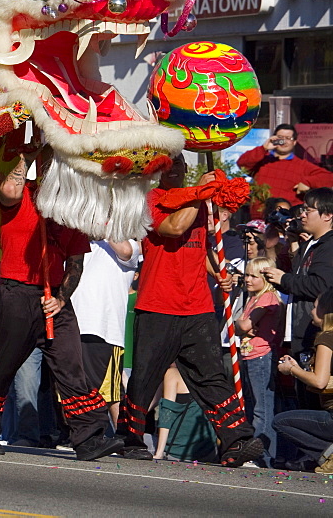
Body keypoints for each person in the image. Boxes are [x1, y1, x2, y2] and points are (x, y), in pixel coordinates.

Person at [0, 154, 121, 461]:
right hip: (16, 295)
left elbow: (75, 264)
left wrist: (60, 299)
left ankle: (88, 438)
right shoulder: (23, 194)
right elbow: (8, 189)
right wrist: (23, 155)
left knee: (71, 368)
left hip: (55, 302)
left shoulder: (71, 213)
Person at [116, 155, 262, 467]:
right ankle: (130, 437)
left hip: (197, 307)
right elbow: (173, 228)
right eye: (168, 166)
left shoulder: (200, 201)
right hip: (158, 305)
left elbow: (202, 244)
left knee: (210, 376)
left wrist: (217, 272)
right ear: (158, 171)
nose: (176, 170)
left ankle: (238, 439)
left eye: (180, 164)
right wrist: (202, 193)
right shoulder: (152, 198)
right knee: (144, 377)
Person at [260, 188, 333, 368]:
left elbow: (321, 286)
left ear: (328, 215)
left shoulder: (329, 245)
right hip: (299, 332)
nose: (302, 215)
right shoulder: (308, 244)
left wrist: (284, 279)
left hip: (315, 333)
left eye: (308, 210)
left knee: (313, 394)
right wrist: (276, 278)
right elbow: (298, 282)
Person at [73, 238, 141, 427]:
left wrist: (100, 221)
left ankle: (124, 434)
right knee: (76, 388)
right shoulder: (78, 243)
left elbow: (126, 252)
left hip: (104, 330)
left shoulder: (127, 243)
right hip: (73, 326)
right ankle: (86, 434)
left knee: (110, 392)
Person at [274, 289, 333, 473]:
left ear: (325, 312)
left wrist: (292, 370)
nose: (311, 312)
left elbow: (319, 381)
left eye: (315, 308)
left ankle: (327, 454)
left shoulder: (326, 337)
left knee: (281, 422)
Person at [237, 257, 284, 467]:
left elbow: (244, 326)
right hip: (248, 354)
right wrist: (242, 325)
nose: (247, 279)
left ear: (265, 278)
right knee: (251, 404)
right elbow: (241, 325)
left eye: (253, 276)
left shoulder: (267, 298)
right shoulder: (252, 298)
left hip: (261, 356)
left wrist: (242, 325)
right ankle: (254, 451)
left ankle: (262, 456)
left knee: (262, 408)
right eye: (246, 275)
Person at [238, 125, 333, 218]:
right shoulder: (262, 160)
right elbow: (242, 163)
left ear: (294, 142)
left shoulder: (302, 165)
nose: (283, 141)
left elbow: (328, 177)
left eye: (288, 138)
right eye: (280, 137)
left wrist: (307, 182)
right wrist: (264, 148)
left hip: (287, 219)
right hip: (259, 218)